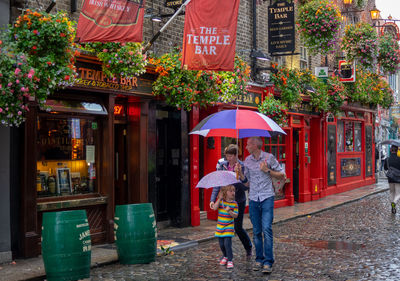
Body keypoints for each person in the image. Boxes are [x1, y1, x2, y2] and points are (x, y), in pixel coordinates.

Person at [236, 136, 285, 274]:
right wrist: (240, 174)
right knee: (257, 231)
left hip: (267, 197)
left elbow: (282, 175)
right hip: (253, 199)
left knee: (267, 229)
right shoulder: (247, 160)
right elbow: (246, 184)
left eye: (248, 145)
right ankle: (259, 259)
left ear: (255, 145)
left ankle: (268, 261)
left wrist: (267, 170)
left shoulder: (269, 158)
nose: (246, 147)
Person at [210, 144, 253, 257]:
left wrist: (239, 175)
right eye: (227, 156)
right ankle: (227, 255)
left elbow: (246, 187)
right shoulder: (222, 165)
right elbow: (217, 184)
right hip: (224, 201)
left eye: (230, 156)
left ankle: (248, 247)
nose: (228, 158)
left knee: (237, 228)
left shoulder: (242, 166)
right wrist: (212, 199)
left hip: (238, 200)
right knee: (223, 225)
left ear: (235, 156)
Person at [210, 185, 238, 269]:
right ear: (225, 192)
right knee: (221, 245)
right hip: (220, 227)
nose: (233, 192)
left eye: (234, 191)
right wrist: (219, 198)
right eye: (230, 191)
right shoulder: (221, 202)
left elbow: (236, 215)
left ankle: (230, 260)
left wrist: (229, 211)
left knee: (227, 244)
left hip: (229, 227)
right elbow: (214, 208)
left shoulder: (234, 204)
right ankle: (225, 256)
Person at [384, 145, 400, 214]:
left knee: (391, 192)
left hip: (390, 178)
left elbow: (385, 168)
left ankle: (392, 205)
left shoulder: (387, 159)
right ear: (397, 151)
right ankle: (394, 202)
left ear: (391, 150)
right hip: (398, 178)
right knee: (398, 193)